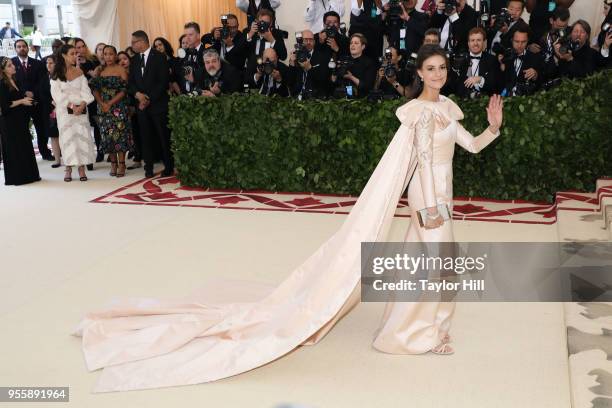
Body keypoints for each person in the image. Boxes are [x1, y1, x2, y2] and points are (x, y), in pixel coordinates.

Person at [72, 44, 503, 392]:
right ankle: (415, 334)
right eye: (431, 68)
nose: (438, 74)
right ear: (420, 73)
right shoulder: (415, 115)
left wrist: (493, 127)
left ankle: (423, 328)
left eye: (443, 67)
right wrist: (427, 210)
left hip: (443, 202)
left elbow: (471, 146)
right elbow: (418, 168)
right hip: (431, 204)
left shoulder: (449, 107)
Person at [128, 30, 173, 178]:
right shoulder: (134, 60)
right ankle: (148, 167)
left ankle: (168, 166)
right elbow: (131, 83)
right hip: (141, 107)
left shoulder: (159, 57)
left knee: (163, 137)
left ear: (142, 42)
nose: (132, 45)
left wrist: (148, 99)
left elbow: (163, 82)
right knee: (145, 138)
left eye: (134, 42)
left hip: (158, 105)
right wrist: (137, 95)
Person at [50, 44, 96, 182]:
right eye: (72, 53)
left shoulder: (79, 72)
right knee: (67, 138)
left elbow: (86, 92)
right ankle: (68, 168)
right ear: (63, 55)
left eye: (76, 53)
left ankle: (82, 168)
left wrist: (82, 104)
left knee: (82, 136)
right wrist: (71, 106)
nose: (76, 56)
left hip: (80, 110)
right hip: (64, 112)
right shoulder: (56, 74)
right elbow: (56, 95)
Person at [90, 45, 132, 178]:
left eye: (111, 54)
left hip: (118, 106)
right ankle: (113, 163)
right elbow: (94, 88)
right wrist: (102, 103)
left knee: (120, 135)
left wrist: (110, 103)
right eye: (105, 54)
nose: (108, 57)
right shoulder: (99, 70)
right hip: (103, 107)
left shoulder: (121, 70)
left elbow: (124, 90)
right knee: (107, 136)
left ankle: (122, 164)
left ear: (115, 55)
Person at [0, 56, 40, 186]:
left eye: (12, 64)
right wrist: (22, 101)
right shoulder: (2, 83)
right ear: (3, 70)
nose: (13, 66)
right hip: (9, 121)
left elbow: (20, 96)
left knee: (24, 145)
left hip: (20, 119)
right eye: (9, 65)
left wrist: (27, 100)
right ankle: (18, 177)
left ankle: (30, 174)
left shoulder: (14, 80)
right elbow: (5, 105)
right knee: (15, 148)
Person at [11, 39, 53, 160]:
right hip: (20, 102)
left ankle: (45, 152)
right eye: (19, 47)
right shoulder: (11, 63)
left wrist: (33, 93)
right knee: (22, 129)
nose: (21, 48)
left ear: (28, 48)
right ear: (15, 49)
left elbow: (43, 81)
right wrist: (24, 93)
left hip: (37, 102)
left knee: (41, 128)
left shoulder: (38, 63)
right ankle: (26, 155)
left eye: (24, 46)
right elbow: (12, 81)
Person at [72, 38, 103, 164]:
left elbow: (100, 75)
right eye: (77, 47)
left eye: (82, 46)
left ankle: (100, 151)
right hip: (80, 98)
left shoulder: (93, 60)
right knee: (83, 126)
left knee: (97, 124)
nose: (81, 49)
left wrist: (94, 74)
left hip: (94, 96)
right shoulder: (72, 63)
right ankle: (86, 154)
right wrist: (78, 64)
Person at [451, 27, 502, 98]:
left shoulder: (492, 60)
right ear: (468, 43)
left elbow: (496, 85)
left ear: (484, 42)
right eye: (472, 40)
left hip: (485, 102)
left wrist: (480, 79)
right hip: (463, 102)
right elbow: (454, 86)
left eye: (478, 40)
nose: (475, 43)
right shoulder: (460, 60)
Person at [331, 33, 377, 98]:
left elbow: (367, 87)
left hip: (361, 99)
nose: (352, 45)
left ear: (363, 47)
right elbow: (334, 82)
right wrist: (334, 72)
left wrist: (351, 77)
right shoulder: (343, 59)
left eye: (356, 43)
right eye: (351, 43)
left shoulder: (369, 63)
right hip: (341, 98)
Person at [289, 29, 332, 98]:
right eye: (305, 40)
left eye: (311, 40)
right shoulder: (296, 56)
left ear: (314, 42)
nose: (308, 42)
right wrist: (291, 64)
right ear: (300, 41)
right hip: (296, 97)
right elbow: (290, 82)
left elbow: (324, 80)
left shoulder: (323, 57)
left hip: (315, 98)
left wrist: (310, 68)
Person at [117, 51, 142, 170]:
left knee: (138, 132)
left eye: (125, 59)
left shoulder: (134, 72)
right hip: (122, 107)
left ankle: (141, 157)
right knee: (131, 134)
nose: (122, 61)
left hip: (136, 105)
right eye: (120, 59)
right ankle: (137, 157)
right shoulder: (117, 73)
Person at [40, 55, 62, 168]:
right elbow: (42, 94)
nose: (48, 65)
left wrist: (58, 101)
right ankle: (57, 160)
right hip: (49, 110)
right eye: (47, 63)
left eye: (51, 62)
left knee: (64, 134)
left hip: (63, 108)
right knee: (53, 136)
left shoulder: (62, 77)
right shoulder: (44, 78)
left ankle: (69, 158)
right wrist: (52, 102)